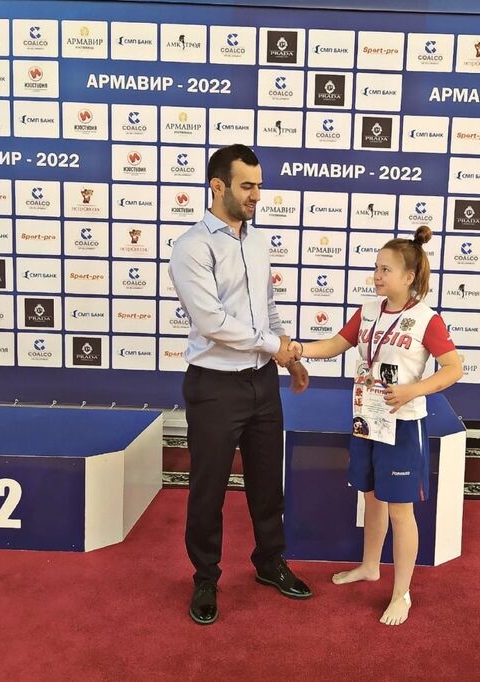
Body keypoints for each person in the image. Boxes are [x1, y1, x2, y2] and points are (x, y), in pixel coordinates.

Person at [289, 226, 462, 626]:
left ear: (409, 276)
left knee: (401, 510)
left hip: (403, 426)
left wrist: (413, 390)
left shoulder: (426, 319)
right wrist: (299, 349)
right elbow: (336, 344)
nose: (377, 276)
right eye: (376, 268)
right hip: (367, 420)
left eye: (386, 269)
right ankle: (370, 566)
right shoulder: (368, 311)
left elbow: (454, 368)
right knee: (370, 498)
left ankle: (402, 594)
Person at [169, 144, 311, 626]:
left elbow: (265, 308)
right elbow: (212, 322)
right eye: (247, 186)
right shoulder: (192, 247)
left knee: (268, 482)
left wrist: (287, 357)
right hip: (214, 386)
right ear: (218, 186)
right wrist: (274, 346)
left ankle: (270, 562)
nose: (256, 195)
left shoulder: (258, 242)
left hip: (262, 381)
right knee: (207, 489)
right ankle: (205, 577)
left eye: (259, 186)